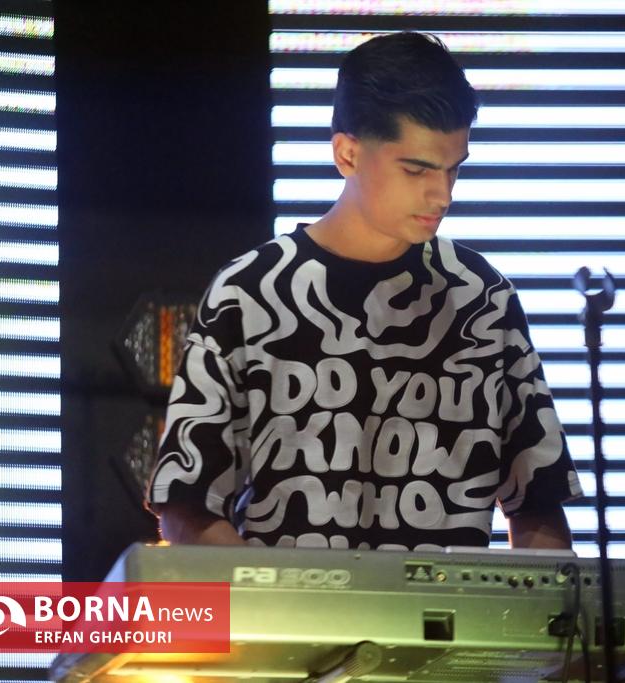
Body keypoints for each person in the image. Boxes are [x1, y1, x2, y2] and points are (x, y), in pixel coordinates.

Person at [147, 31, 581, 551]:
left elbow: (539, 505)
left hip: (451, 607)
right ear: (347, 153)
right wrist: (270, 595)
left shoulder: (482, 299)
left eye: (454, 169)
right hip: (284, 602)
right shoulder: (249, 293)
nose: (442, 195)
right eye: (416, 169)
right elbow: (186, 506)